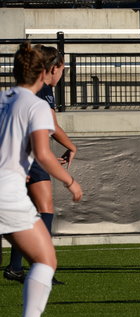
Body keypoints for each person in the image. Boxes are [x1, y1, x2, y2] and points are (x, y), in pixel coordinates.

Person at [0, 42, 83, 317]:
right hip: (6, 192)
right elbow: (43, 153)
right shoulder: (36, 105)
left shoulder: (2, 98)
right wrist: (70, 181)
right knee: (46, 260)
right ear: (47, 71)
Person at [3, 45, 77, 285]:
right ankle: (39, 267)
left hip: (18, 160)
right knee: (43, 210)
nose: (62, 75)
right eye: (62, 69)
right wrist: (70, 180)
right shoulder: (40, 92)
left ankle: (17, 267)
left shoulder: (9, 96)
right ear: (53, 68)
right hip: (26, 157)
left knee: (31, 211)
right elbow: (50, 129)